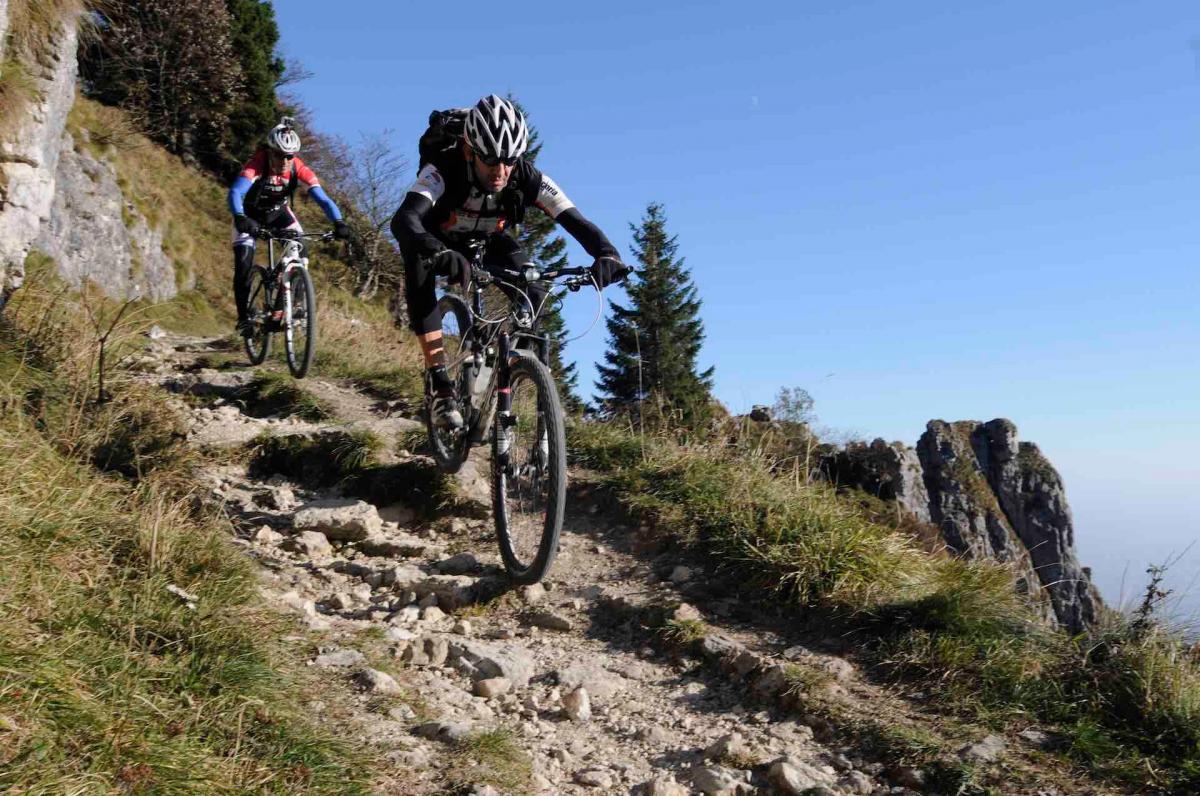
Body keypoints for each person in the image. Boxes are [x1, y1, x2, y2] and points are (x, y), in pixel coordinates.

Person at [391, 94, 629, 428]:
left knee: (534, 289)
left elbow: (575, 219)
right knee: (419, 270)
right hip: (438, 238)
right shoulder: (443, 167)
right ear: (470, 150)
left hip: (489, 239)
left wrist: (606, 253)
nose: (501, 171)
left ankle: (508, 365)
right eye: (490, 160)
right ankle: (440, 385)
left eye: (510, 160)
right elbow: (404, 221)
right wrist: (434, 250)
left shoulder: (526, 177)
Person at [227, 117, 353, 335]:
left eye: (289, 156)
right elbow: (236, 192)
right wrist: (239, 216)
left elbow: (323, 199)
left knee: (301, 251)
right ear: (269, 150)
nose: (284, 160)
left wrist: (338, 222)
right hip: (249, 215)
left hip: (279, 214)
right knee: (243, 264)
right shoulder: (257, 163)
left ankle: (281, 309)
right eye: (279, 154)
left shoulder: (297, 168)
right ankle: (244, 318)